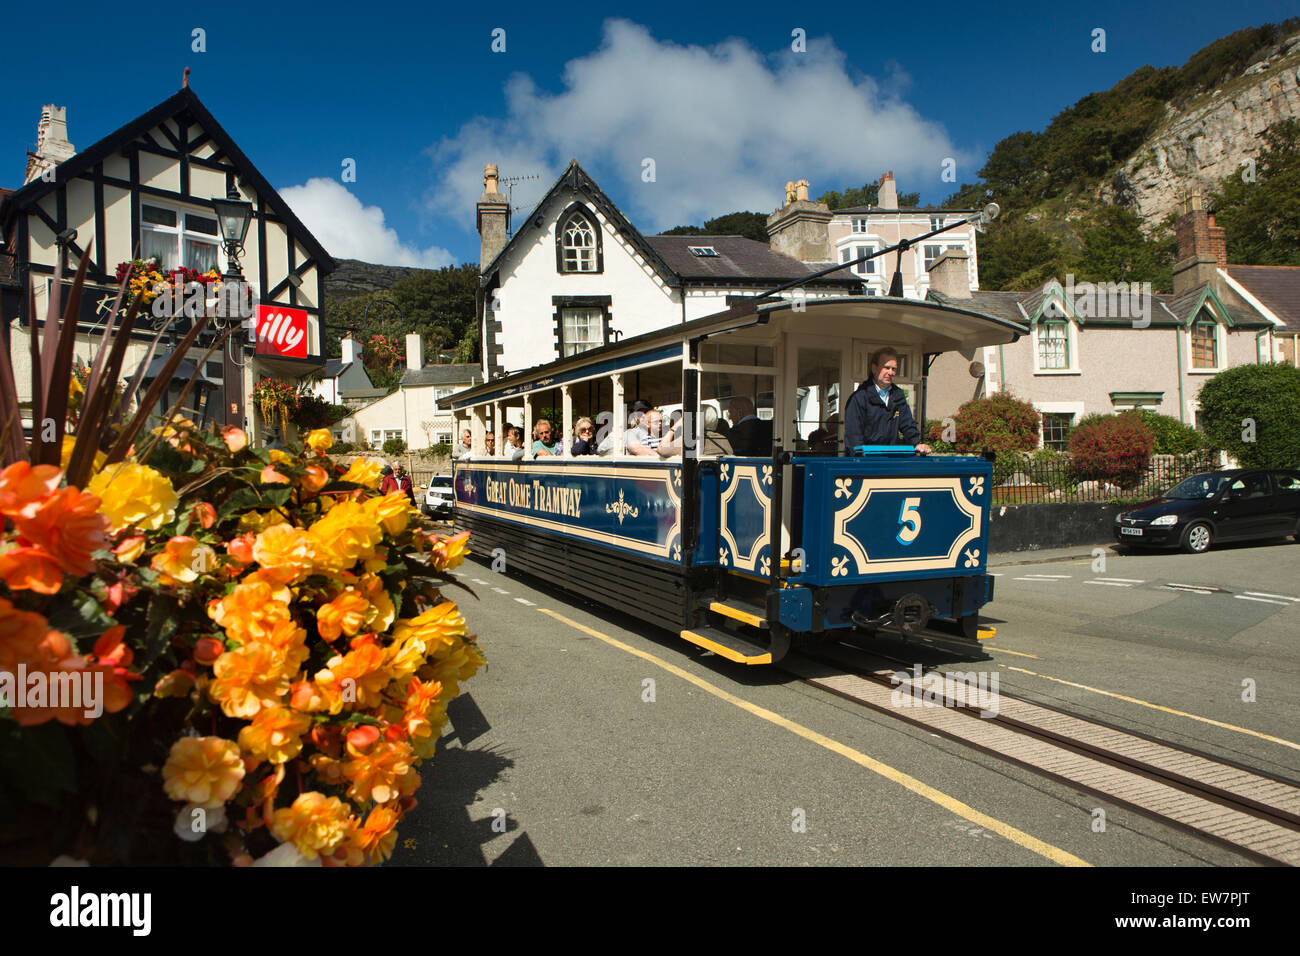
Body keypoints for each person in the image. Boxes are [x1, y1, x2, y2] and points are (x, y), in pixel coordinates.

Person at [844, 347, 930, 454]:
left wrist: (917, 443)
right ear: (874, 368)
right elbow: (853, 436)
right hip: (866, 462)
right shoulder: (858, 398)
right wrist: (860, 460)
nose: (891, 372)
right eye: (886, 367)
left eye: (894, 369)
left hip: (890, 461)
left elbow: (907, 424)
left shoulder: (898, 396)